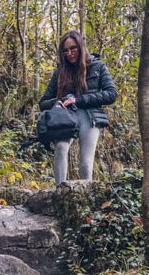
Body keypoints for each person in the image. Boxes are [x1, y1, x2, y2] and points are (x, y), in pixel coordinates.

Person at [38, 30, 117, 185]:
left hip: (91, 117)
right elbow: (43, 102)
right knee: (61, 148)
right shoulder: (60, 71)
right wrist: (57, 102)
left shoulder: (97, 66)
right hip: (66, 118)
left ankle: (83, 200)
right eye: (65, 50)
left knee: (86, 163)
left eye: (73, 48)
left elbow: (111, 94)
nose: (70, 53)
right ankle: (59, 193)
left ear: (81, 47)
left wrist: (80, 100)